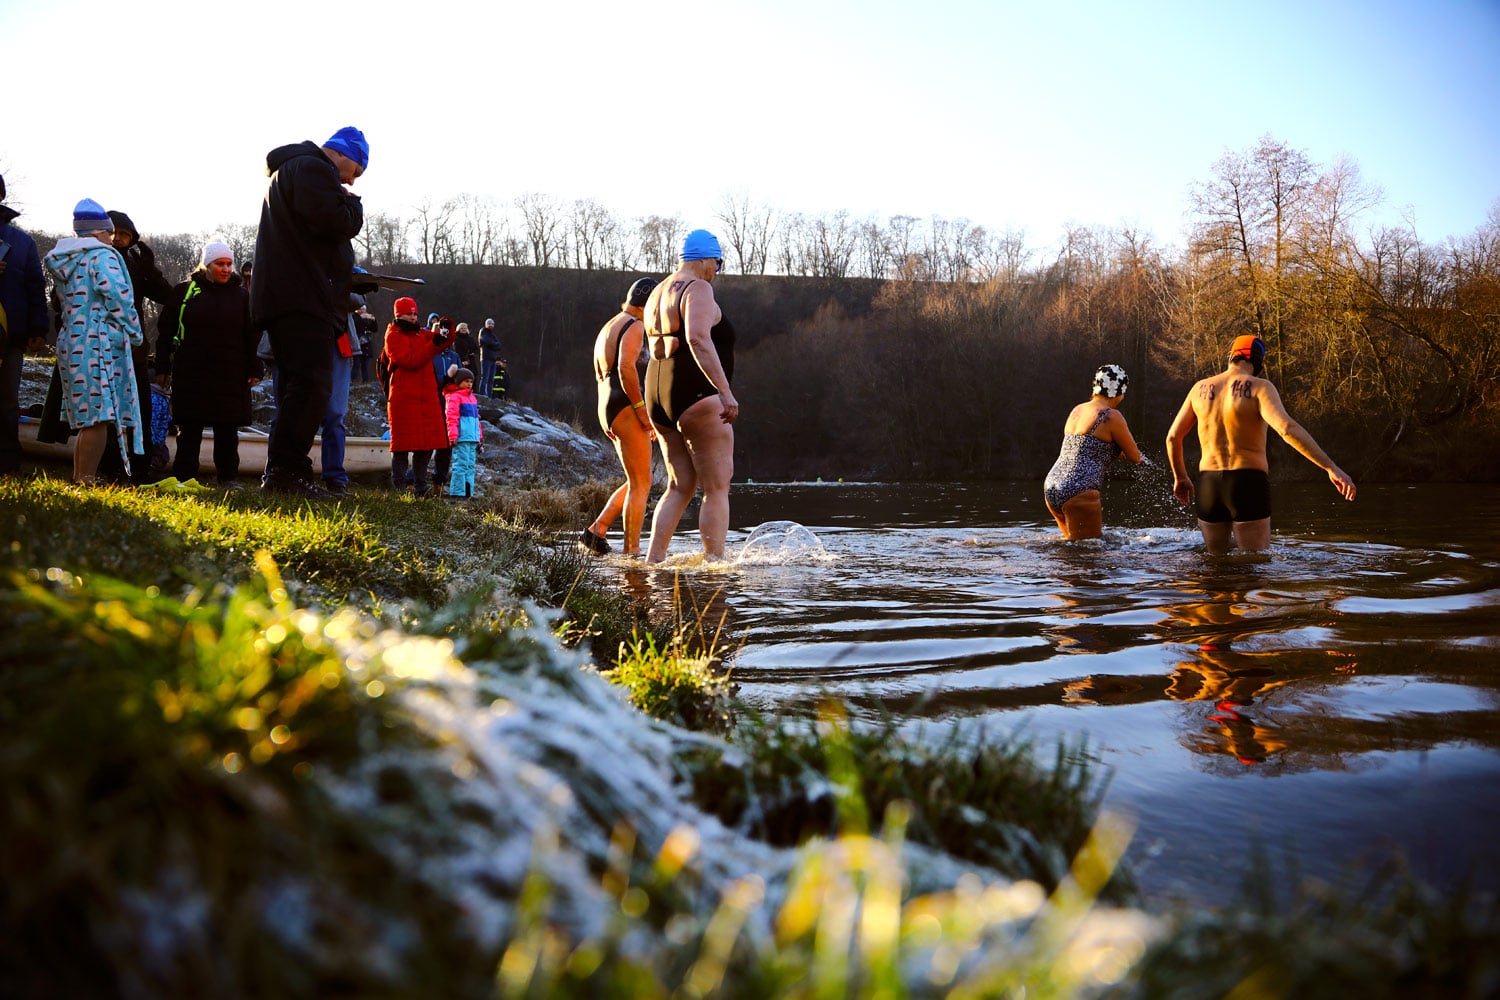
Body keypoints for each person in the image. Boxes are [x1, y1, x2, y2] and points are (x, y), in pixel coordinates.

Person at [250, 125, 367, 497]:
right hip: (302, 299)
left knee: (295, 389)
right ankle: (287, 472)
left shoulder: (291, 171)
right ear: (344, 156)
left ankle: (283, 472)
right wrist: (354, 205)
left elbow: (312, 237)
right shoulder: (315, 169)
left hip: (286, 296)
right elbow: (335, 223)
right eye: (356, 171)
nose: (350, 181)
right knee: (312, 386)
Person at [1166, 334, 1356, 554]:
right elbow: (1286, 428)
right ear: (1258, 361)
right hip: (1247, 482)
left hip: (1208, 484)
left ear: (1230, 357)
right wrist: (1330, 467)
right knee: (1255, 568)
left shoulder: (1199, 388)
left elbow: (1172, 437)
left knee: (1215, 570)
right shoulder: (1260, 387)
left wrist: (1180, 477)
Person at [642, 230, 738, 564]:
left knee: (679, 485)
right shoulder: (699, 287)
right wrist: (724, 392)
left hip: (657, 392)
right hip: (696, 394)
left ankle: (653, 561)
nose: (717, 270)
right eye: (717, 262)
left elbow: (655, 347)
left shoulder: (656, 292)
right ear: (704, 258)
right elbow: (697, 338)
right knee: (716, 487)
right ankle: (715, 565)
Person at [42, 199, 144, 484]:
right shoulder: (103, 257)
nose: (112, 238)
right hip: (98, 342)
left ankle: (79, 475)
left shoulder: (66, 260)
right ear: (100, 231)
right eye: (110, 233)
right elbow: (119, 297)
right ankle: (86, 478)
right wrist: (135, 332)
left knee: (87, 414)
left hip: (71, 340)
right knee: (98, 416)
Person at [155, 240, 262, 487]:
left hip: (230, 371)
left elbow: (252, 334)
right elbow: (166, 330)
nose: (225, 269)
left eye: (228, 264)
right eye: (219, 264)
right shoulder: (185, 292)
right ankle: (185, 476)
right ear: (207, 265)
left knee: (227, 429)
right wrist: (162, 366)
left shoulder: (241, 295)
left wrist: (255, 366)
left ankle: (227, 477)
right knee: (189, 428)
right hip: (191, 370)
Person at [580, 277, 657, 557]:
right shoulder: (635, 326)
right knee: (642, 483)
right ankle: (632, 554)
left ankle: (597, 531)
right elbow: (626, 368)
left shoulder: (610, 325)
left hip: (607, 404)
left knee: (636, 478)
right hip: (624, 404)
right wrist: (641, 410)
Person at [101, 210, 175, 484]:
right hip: (102, 348)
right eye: (113, 233)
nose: (118, 239)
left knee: (139, 409)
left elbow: (167, 296)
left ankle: (138, 467)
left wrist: (149, 271)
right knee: (108, 410)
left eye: (124, 235)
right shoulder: (94, 259)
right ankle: (107, 466)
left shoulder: (135, 262)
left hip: (134, 349)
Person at [1042, 364, 1147, 540]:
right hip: (1080, 487)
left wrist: (1113, 451)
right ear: (1120, 391)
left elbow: (1083, 447)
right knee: (1089, 555)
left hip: (1052, 485)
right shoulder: (1111, 416)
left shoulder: (1078, 409)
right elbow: (1135, 456)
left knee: (1070, 550)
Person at [0, 174, 51, 476]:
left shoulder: (22, 241)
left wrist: (38, 328)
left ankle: (7, 464)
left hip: (11, 337)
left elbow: (36, 286)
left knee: (7, 402)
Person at [384, 296, 453, 495]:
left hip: (426, 398)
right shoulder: (393, 336)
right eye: (409, 314)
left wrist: (447, 328)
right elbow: (411, 361)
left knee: (425, 446)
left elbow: (443, 342)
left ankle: (420, 487)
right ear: (399, 315)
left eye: (415, 313)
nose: (414, 317)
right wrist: (434, 344)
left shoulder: (420, 334)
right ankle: (400, 487)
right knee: (402, 447)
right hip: (404, 398)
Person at [443, 366, 482, 499]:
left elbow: (477, 420)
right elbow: (451, 418)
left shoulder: (472, 398)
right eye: (466, 381)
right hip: (461, 438)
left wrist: (479, 437)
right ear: (458, 382)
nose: (469, 384)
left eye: (471, 381)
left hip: (472, 438)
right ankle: (457, 492)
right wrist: (453, 435)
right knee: (460, 464)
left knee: (470, 466)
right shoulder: (454, 397)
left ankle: (468, 492)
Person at [478, 317, 501, 397]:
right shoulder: (483, 331)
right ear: (486, 324)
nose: (490, 325)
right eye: (489, 323)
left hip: (493, 359)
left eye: (492, 324)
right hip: (486, 358)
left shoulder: (493, 334)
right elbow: (486, 341)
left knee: (491, 379)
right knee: (484, 377)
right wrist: (493, 345)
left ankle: (489, 395)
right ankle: (482, 395)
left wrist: (492, 345)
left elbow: (499, 346)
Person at [354, 304, 376, 382]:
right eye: (361, 309)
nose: (362, 311)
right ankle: (353, 381)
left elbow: (374, 329)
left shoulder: (367, 318)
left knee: (365, 366)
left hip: (367, 346)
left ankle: (365, 381)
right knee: (356, 365)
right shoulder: (354, 317)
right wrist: (361, 318)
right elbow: (355, 326)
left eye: (363, 309)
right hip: (357, 345)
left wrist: (373, 320)